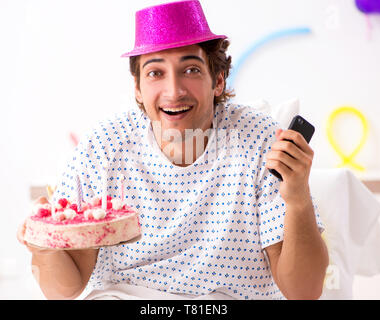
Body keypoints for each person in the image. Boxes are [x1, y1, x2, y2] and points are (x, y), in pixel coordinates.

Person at [17, 0, 328, 300]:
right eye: (155, 73)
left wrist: (298, 198)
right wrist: (43, 244)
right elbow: (65, 291)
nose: (174, 91)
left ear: (218, 80)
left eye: (191, 70)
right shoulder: (104, 147)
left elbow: (303, 292)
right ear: (137, 88)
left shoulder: (259, 140)